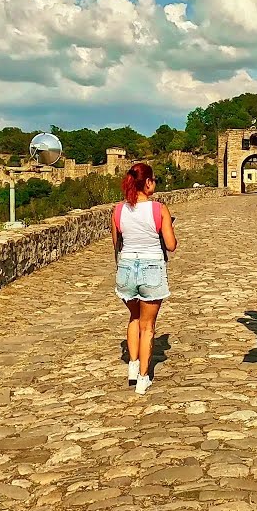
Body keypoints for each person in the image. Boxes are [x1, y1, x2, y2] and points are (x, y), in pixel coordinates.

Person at [112, 163, 177, 394]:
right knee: (148, 326)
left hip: (127, 267)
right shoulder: (159, 209)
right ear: (148, 182)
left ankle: (132, 365)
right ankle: (142, 379)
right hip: (151, 266)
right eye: (154, 180)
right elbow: (171, 245)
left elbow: (116, 245)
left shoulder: (118, 210)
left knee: (133, 317)